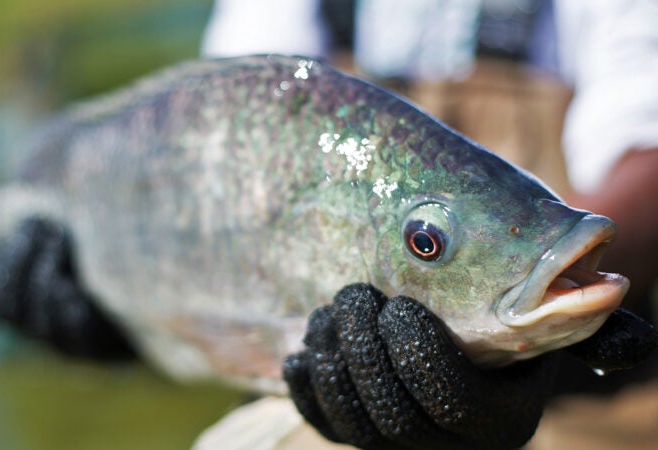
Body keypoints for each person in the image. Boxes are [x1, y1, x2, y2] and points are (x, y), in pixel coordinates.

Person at [199, 1, 658, 449]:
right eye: (427, 242)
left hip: (593, 397)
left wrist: (539, 328)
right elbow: (234, 122)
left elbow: (647, 143)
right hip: (340, 400)